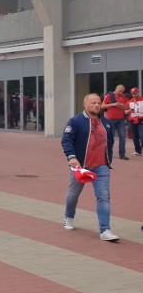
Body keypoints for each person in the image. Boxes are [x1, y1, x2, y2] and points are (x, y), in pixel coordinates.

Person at [61, 93, 119, 242]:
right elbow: (66, 140)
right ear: (85, 104)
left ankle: (105, 230)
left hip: (101, 167)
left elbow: (110, 143)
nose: (97, 105)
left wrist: (107, 160)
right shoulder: (75, 121)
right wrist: (72, 157)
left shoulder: (106, 123)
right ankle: (69, 215)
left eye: (99, 103)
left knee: (103, 197)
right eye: (93, 103)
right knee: (73, 194)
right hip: (81, 166)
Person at [101, 85, 129, 160]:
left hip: (121, 119)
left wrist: (120, 106)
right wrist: (114, 104)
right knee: (110, 137)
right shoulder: (109, 95)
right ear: (116, 89)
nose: (121, 93)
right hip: (111, 119)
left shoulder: (123, 96)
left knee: (122, 137)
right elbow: (103, 106)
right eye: (120, 91)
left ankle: (122, 154)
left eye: (122, 91)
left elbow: (125, 107)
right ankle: (108, 153)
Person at [126, 87, 143, 156]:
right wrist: (129, 111)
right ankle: (138, 151)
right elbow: (125, 112)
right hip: (132, 120)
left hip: (141, 119)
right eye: (133, 94)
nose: (134, 95)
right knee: (134, 136)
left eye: (135, 93)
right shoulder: (129, 102)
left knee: (142, 135)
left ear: (138, 92)